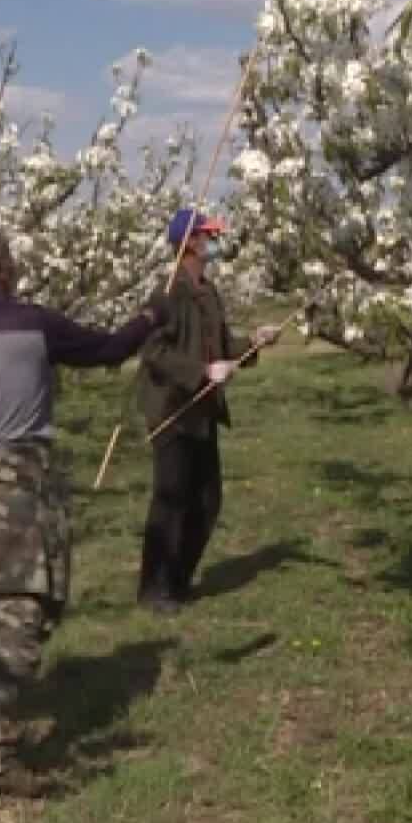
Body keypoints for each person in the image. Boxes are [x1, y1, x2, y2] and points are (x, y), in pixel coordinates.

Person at [0, 224, 168, 797]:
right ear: (1, 272)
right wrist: (149, 315)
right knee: (19, 619)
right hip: (19, 495)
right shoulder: (33, 324)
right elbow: (109, 349)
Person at [133, 209, 283, 614]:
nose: (212, 241)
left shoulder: (208, 291)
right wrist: (200, 372)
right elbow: (153, 351)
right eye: (206, 235)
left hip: (202, 413)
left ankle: (178, 581)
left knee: (207, 501)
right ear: (189, 243)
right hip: (172, 409)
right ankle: (154, 588)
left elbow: (221, 347)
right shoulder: (167, 293)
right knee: (170, 500)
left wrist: (254, 342)